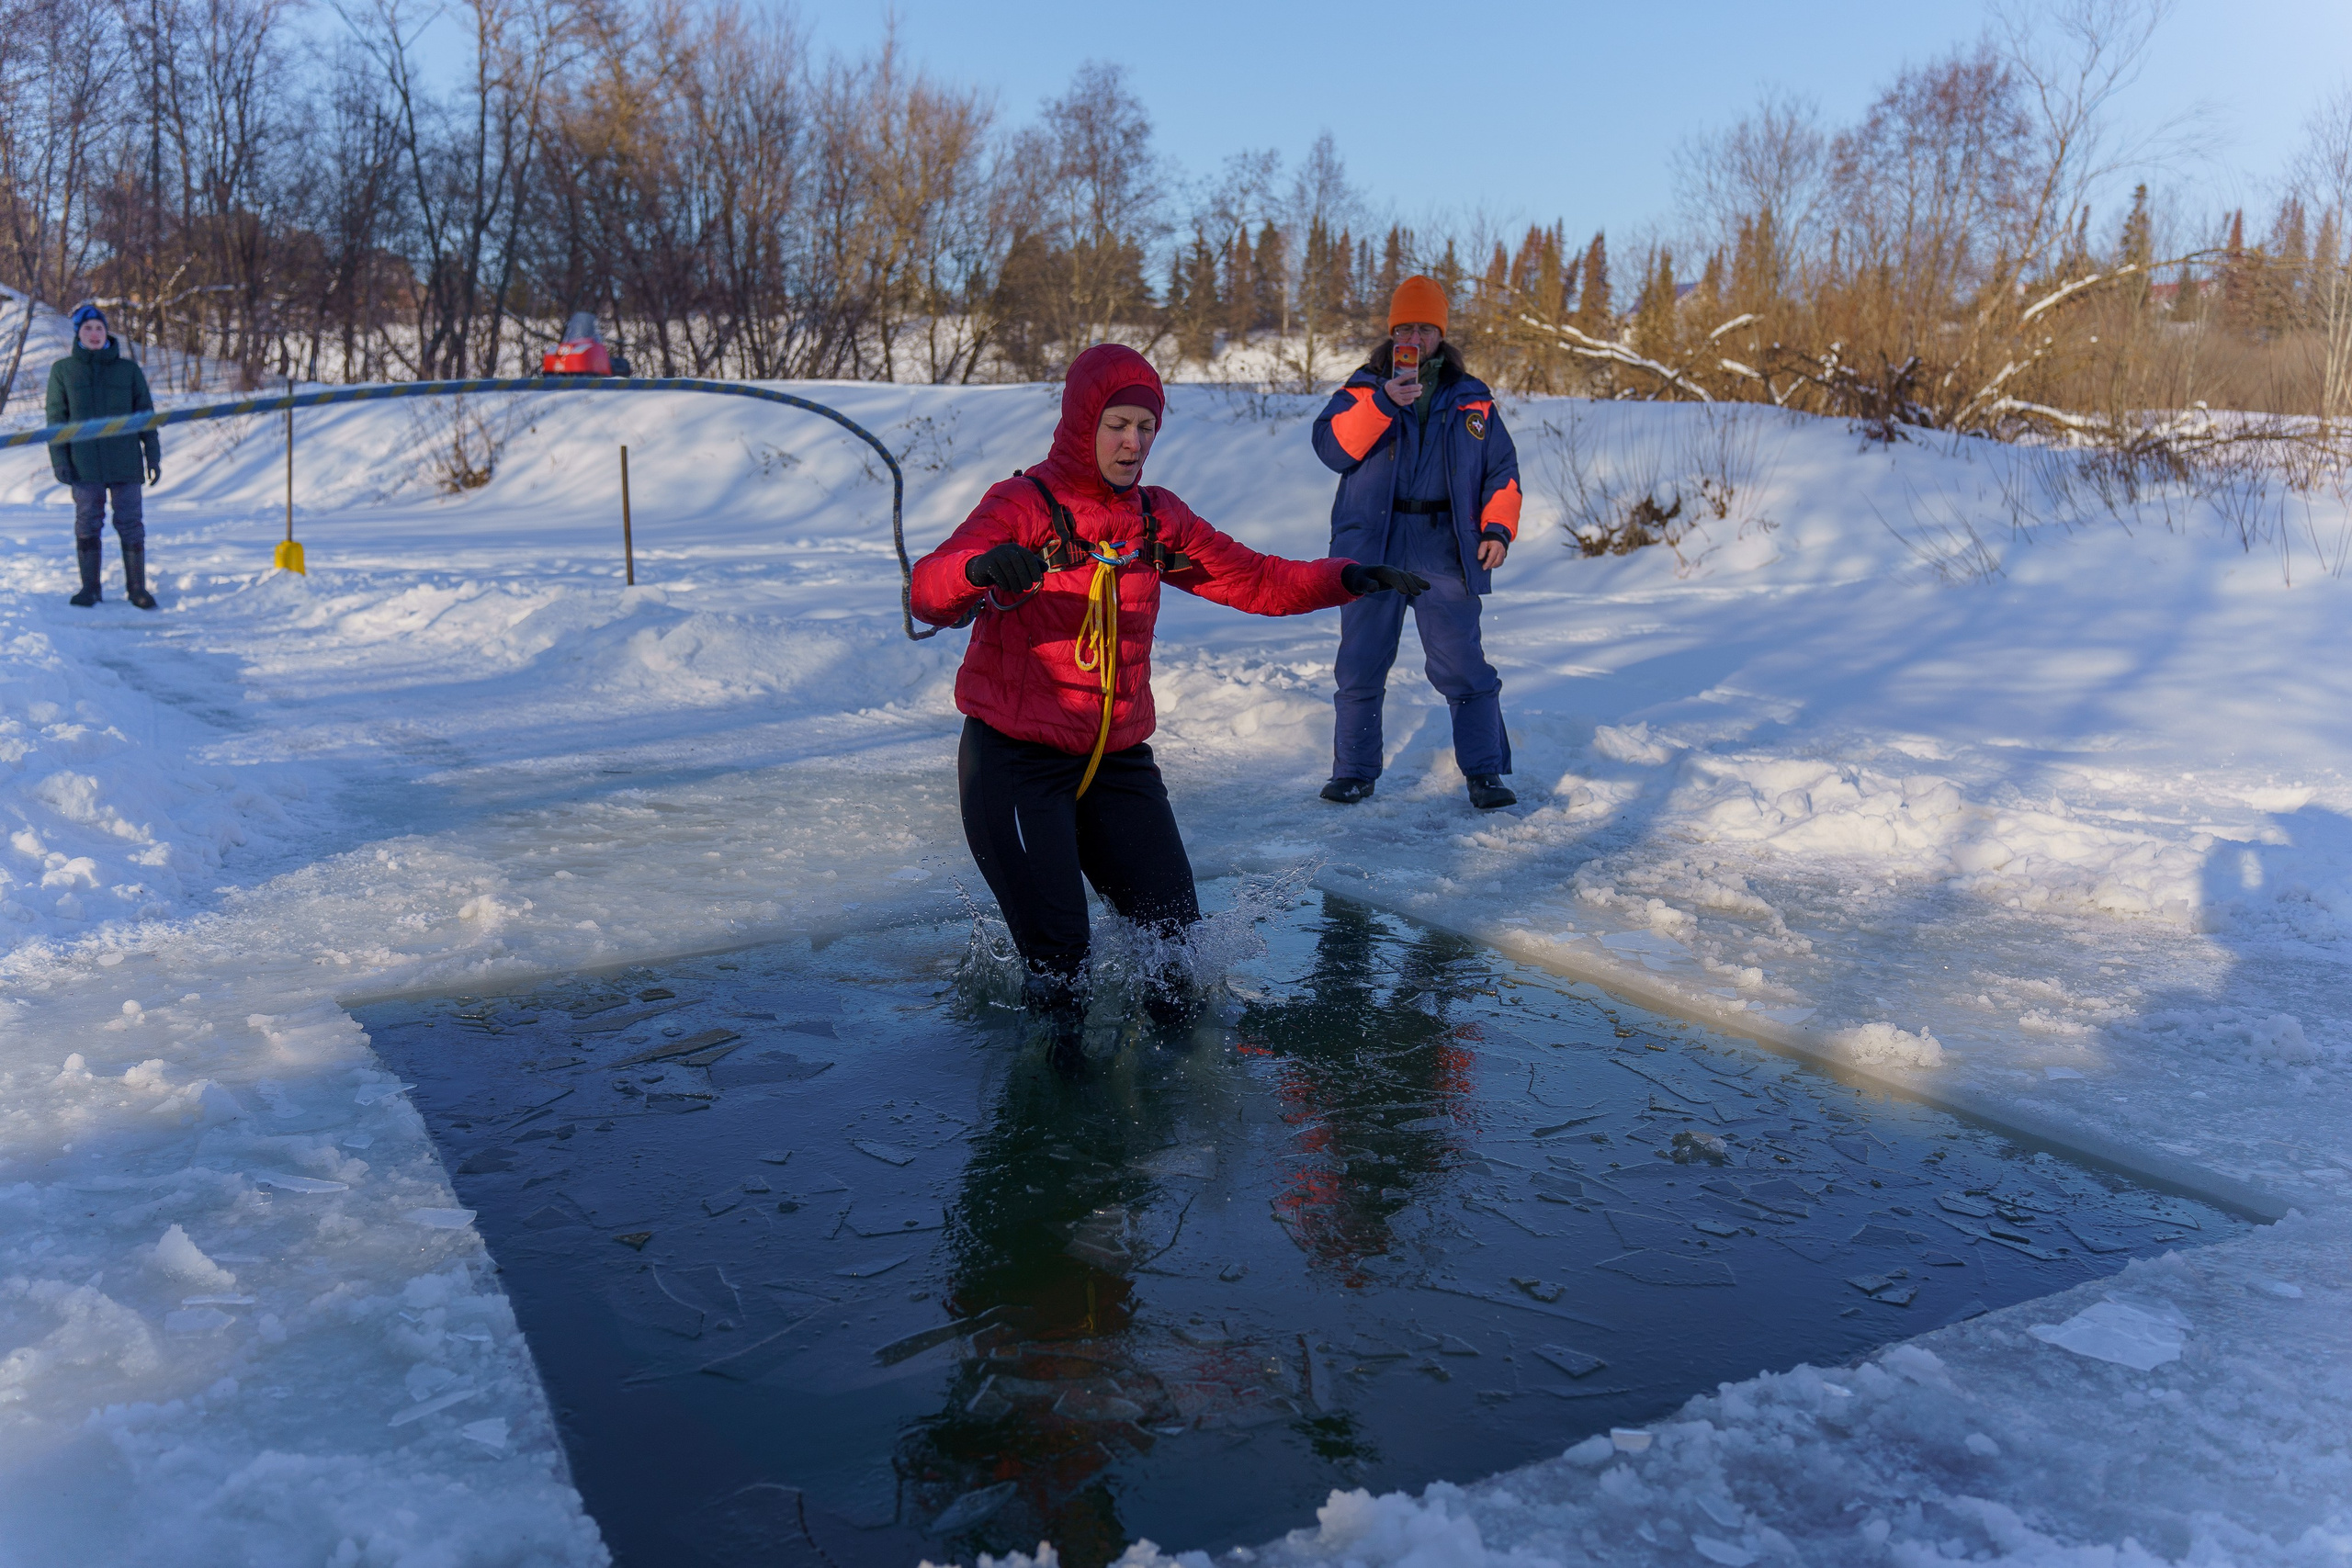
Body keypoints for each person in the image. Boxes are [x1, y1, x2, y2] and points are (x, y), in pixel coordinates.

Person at [910, 343, 1426, 1041]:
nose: (1132, 443)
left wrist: (1347, 578)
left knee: (1177, 952)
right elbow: (929, 591)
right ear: (1081, 422)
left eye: (1145, 428)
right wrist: (978, 568)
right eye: (1117, 424)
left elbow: (1257, 578)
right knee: (1064, 969)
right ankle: (1057, 1115)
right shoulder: (1023, 505)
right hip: (1016, 764)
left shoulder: (1156, 521)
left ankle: (1172, 1103)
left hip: (1118, 764)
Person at [1311, 276, 1522, 809]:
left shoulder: (1472, 398)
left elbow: (1503, 470)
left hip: (1443, 545)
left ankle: (1486, 773)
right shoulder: (1362, 388)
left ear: (1440, 334)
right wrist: (1383, 403)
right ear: (1391, 333)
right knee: (1360, 661)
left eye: (1425, 328)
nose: (1414, 337)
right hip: (1372, 543)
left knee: (1461, 664)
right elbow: (1332, 449)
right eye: (1404, 328)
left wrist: (1497, 529)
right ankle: (1354, 772)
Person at [48, 303, 162, 610]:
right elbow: (56, 419)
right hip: (84, 464)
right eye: (88, 328)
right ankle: (90, 588)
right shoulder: (63, 371)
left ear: (107, 331)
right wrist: (59, 460)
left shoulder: (128, 370)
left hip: (125, 461)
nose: (95, 334)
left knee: (131, 523)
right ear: (77, 333)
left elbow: (146, 415)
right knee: (87, 522)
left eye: (99, 328)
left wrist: (153, 455)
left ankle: (137, 589)